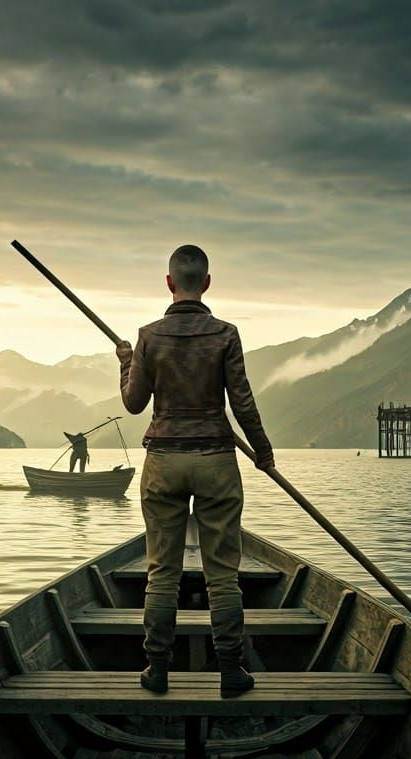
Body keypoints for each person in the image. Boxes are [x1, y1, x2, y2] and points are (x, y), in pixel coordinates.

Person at [117, 243, 274, 697]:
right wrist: (263, 451)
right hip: (216, 461)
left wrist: (127, 363)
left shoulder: (148, 337)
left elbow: (133, 403)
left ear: (169, 283)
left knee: (161, 573)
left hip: (163, 462)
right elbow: (242, 402)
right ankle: (231, 672)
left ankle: (157, 670)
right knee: (223, 575)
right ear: (206, 283)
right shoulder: (226, 334)